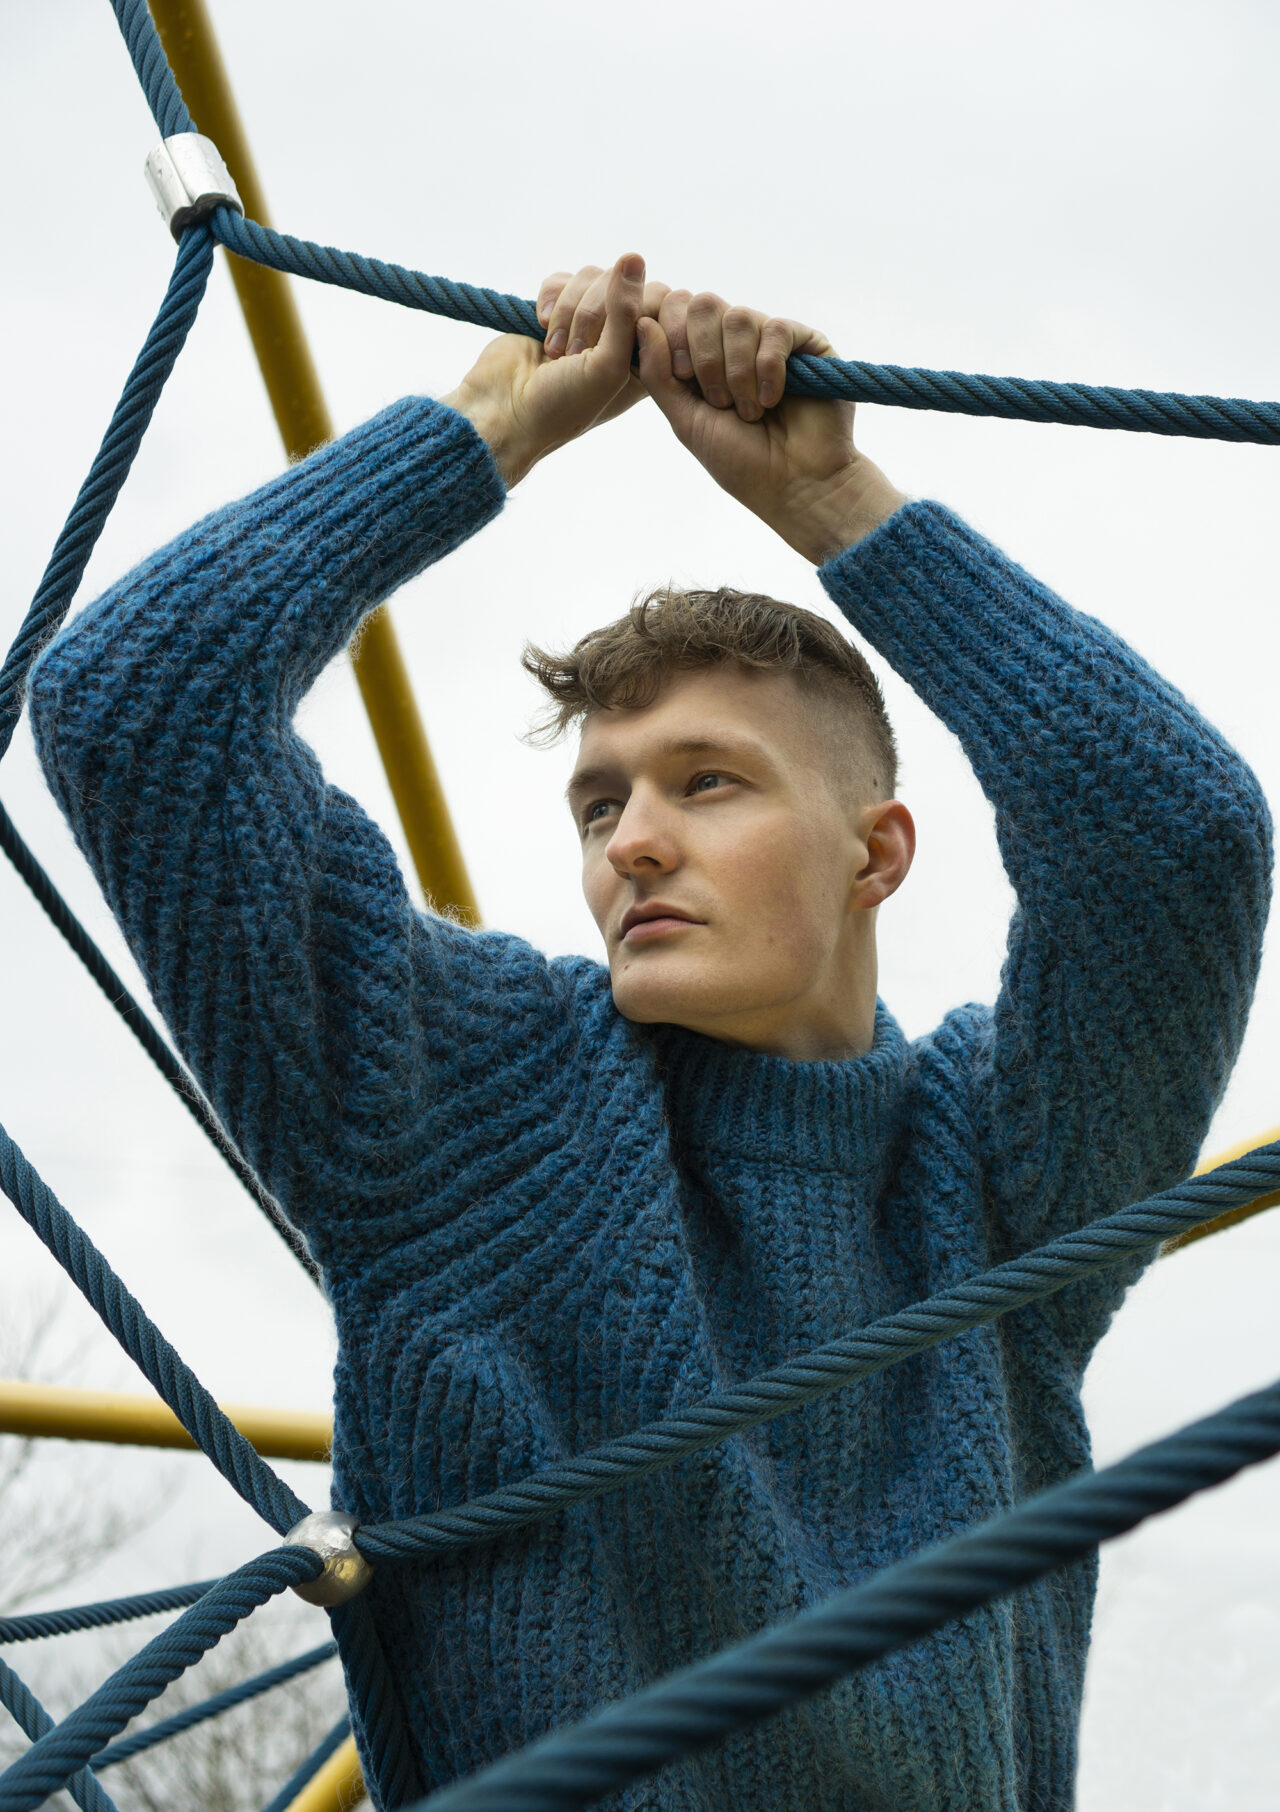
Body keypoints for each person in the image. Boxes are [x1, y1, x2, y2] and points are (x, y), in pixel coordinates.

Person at [28, 253, 1271, 1810]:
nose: (630, 841)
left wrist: (839, 508)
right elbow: (136, 713)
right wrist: (481, 429)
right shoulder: (478, 1104)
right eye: (600, 799)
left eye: (709, 782)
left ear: (878, 854)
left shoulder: (1001, 1174)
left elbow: (1181, 847)